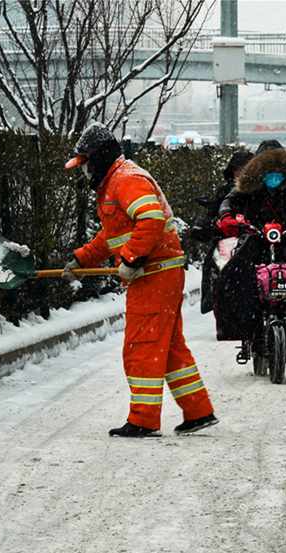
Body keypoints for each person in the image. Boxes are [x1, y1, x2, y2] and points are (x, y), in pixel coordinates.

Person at [62, 122, 218, 437]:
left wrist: (133, 259)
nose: (85, 172)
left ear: (99, 158)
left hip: (154, 275)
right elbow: (113, 235)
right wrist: (81, 258)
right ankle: (198, 411)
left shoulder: (125, 181)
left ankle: (144, 420)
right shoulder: (116, 182)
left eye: (86, 164)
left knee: (142, 347)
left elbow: (151, 219)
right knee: (169, 348)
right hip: (160, 273)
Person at [213, 141, 286, 350]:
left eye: (278, 168)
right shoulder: (247, 185)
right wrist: (226, 217)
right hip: (254, 236)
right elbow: (229, 202)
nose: (273, 173)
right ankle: (238, 327)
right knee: (233, 276)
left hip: (284, 236)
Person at [191, 149, 254, 315]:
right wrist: (207, 226)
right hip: (229, 240)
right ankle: (212, 298)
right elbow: (212, 213)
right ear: (232, 172)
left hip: (257, 239)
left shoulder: (261, 192)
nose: (242, 174)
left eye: (247, 170)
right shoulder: (224, 192)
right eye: (239, 170)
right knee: (213, 263)